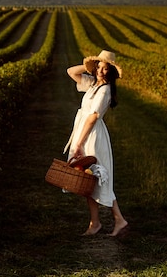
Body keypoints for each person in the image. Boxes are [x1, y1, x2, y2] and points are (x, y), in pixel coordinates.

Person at [64, 50, 129, 236]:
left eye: (105, 68)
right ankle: (97, 222)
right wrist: (90, 66)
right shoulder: (93, 84)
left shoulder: (105, 89)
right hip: (84, 132)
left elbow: (93, 117)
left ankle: (115, 220)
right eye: (99, 67)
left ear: (111, 72)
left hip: (91, 135)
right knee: (89, 179)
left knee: (96, 177)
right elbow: (71, 72)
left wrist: (78, 144)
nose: (101, 71)